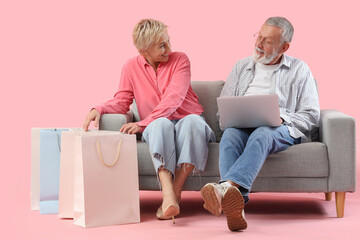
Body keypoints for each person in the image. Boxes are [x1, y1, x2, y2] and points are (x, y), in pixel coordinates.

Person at [83, 19, 215, 223]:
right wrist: (98, 109)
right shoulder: (130, 66)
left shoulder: (181, 60)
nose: (168, 49)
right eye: (162, 45)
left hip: (187, 118)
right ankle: (168, 192)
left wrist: (143, 123)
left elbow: (174, 98)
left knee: (193, 123)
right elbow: (122, 100)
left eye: (168, 42)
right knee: (160, 124)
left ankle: (175, 194)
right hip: (157, 125)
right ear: (144, 50)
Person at [200, 16, 320, 231]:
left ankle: (225, 188)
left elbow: (311, 115)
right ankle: (236, 206)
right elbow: (223, 109)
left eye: (267, 41)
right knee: (229, 136)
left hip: (280, 129)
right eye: (259, 36)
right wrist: (233, 117)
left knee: (263, 133)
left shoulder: (300, 70)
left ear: (284, 47)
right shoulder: (242, 66)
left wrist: (281, 118)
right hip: (241, 126)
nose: (258, 44)